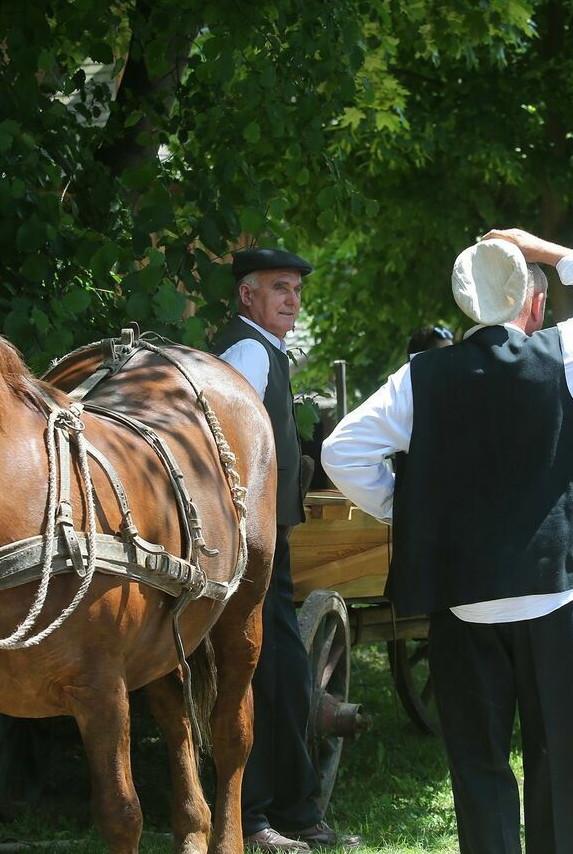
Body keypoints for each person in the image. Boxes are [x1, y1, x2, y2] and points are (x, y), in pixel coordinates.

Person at [323, 228, 573, 853]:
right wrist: (550, 251)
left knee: (478, 770)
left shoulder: (421, 378)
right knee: (560, 767)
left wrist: (416, 512)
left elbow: (343, 450)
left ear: (467, 307)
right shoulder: (572, 352)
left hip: (465, 603)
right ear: (532, 304)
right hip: (556, 599)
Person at [211, 247, 360, 852]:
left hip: (261, 538)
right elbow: (229, 449)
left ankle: (287, 810)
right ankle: (261, 816)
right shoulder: (246, 351)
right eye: (279, 288)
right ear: (248, 296)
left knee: (283, 674)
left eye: (296, 289)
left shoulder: (261, 348)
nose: (292, 298)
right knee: (273, 676)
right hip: (249, 543)